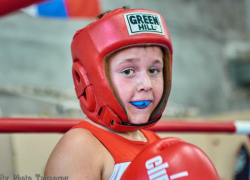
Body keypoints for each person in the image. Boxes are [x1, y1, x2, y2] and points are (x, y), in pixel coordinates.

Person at [45, 7, 219, 180]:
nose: (146, 84)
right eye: (128, 71)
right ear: (89, 80)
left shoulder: (155, 143)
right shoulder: (80, 146)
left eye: (154, 70)